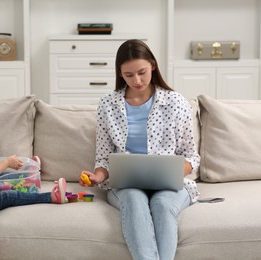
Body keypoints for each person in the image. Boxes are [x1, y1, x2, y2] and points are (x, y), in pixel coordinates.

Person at [79, 39, 200, 260]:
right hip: (126, 185)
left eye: (142, 72)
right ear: (120, 74)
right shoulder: (108, 105)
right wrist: (97, 176)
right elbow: (104, 158)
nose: (137, 80)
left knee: (162, 205)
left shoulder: (176, 102)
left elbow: (191, 156)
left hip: (168, 185)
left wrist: (170, 173)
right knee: (134, 201)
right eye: (128, 75)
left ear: (153, 65)